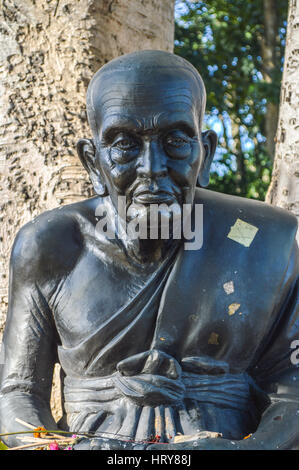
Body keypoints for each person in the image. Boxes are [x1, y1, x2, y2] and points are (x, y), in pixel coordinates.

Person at [0, 50, 298, 450]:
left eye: (175, 141)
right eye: (124, 144)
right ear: (93, 162)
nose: (151, 167)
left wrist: (250, 449)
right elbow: (17, 393)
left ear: (204, 152)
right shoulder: (50, 245)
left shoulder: (270, 241)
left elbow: (293, 390)